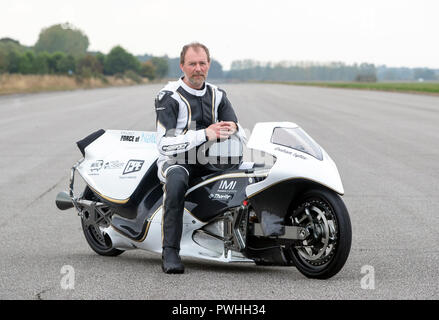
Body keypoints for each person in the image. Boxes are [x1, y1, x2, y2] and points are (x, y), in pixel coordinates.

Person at [154, 42, 241, 274]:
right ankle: (170, 251)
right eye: (192, 64)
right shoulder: (169, 96)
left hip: (208, 159)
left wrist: (229, 128)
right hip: (175, 160)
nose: (198, 68)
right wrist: (205, 133)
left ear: (209, 65)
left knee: (246, 174)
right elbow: (163, 144)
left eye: (202, 63)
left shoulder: (217, 94)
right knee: (176, 182)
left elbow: (233, 124)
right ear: (182, 66)